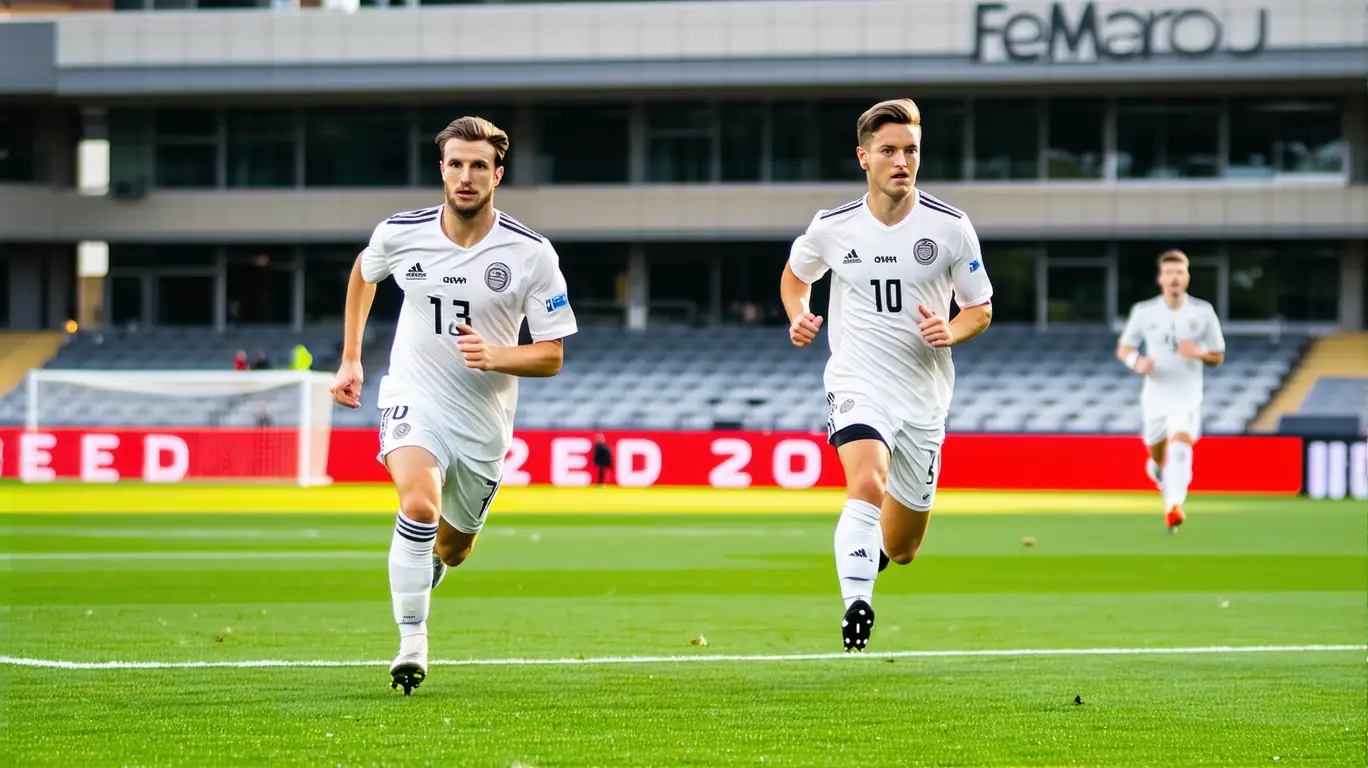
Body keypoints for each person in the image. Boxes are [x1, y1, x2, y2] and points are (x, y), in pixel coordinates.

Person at [329, 115, 578, 694]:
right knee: (417, 503)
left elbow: (550, 356)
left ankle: (427, 566)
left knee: (454, 547)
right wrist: (351, 358)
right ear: (442, 170)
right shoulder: (400, 233)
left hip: (484, 422)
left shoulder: (531, 254)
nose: (466, 176)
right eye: (457, 165)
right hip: (413, 395)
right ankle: (412, 640)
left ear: (497, 175)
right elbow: (364, 274)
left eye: (479, 166)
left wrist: (495, 355)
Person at [780, 98, 993, 652]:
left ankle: (867, 561)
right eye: (889, 150)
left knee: (902, 546)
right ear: (863, 158)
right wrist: (798, 314)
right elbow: (795, 277)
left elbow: (980, 308)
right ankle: (857, 603)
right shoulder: (832, 227)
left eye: (911, 150)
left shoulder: (950, 228)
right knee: (867, 480)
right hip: (857, 380)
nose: (902, 160)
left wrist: (954, 330)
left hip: (924, 395)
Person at [1115, 250, 1225, 532]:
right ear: (1160, 278)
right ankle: (1156, 467)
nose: (1175, 278)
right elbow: (1125, 346)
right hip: (1156, 392)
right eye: (1170, 273)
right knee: (1157, 450)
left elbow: (1217, 355)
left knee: (1180, 441)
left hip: (1188, 391)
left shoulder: (1203, 312)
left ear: (1187, 278)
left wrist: (1199, 353)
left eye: (1180, 272)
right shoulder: (1144, 311)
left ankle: (1173, 506)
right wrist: (1136, 361)